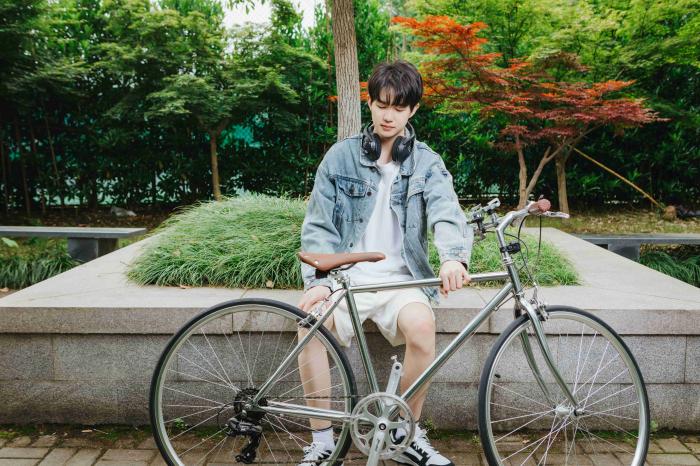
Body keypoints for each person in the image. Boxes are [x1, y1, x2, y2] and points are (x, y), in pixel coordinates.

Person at [296, 60, 473, 466]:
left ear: (412, 110)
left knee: (423, 328)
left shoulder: (427, 163)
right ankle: (322, 442)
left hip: (402, 281)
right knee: (309, 327)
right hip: (345, 280)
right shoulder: (340, 158)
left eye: (398, 107)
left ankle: (403, 433)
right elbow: (318, 225)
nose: (388, 115)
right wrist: (319, 281)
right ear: (370, 104)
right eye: (381, 105)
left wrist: (452, 258)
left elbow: (447, 212)